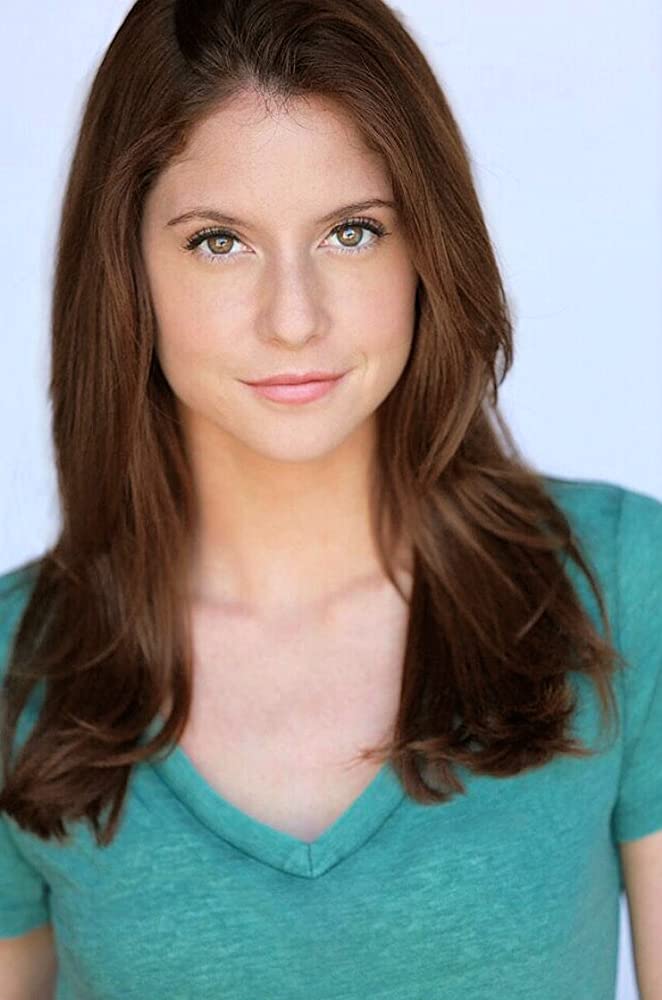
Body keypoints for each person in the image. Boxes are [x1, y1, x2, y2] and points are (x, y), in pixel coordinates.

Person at [1, 1, 660, 997]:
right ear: (126, 267)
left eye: (351, 232)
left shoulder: (621, 585)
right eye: (218, 241)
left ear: (424, 249)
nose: (294, 319)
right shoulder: (18, 670)